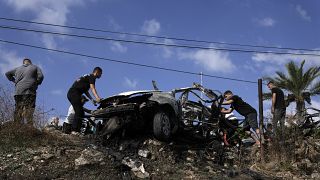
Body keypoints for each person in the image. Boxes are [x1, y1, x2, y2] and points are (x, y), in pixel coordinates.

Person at [5, 58, 44, 125]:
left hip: (18, 92)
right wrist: (37, 83)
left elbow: (7, 73)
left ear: (23, 63)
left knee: (18, 108)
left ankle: (17, 125)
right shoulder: (35, 67)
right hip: (30, 91)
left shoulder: (17, 69)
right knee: (29, 108)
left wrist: (14, 81)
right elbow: (41, 76)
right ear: (30, 62)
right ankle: (29, 126)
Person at [67, 67, 102, 133]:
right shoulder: (92, 77)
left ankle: (76, 131)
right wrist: (97, 98)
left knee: (81, 112)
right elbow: (92, 88)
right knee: (79, 111)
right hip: (74, 93)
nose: (101, 75)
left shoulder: (87, 77)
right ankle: (74, 131)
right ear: (97, 72)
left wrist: (92, 100)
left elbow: (86, 91)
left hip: (72, 93)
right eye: (101, 74)